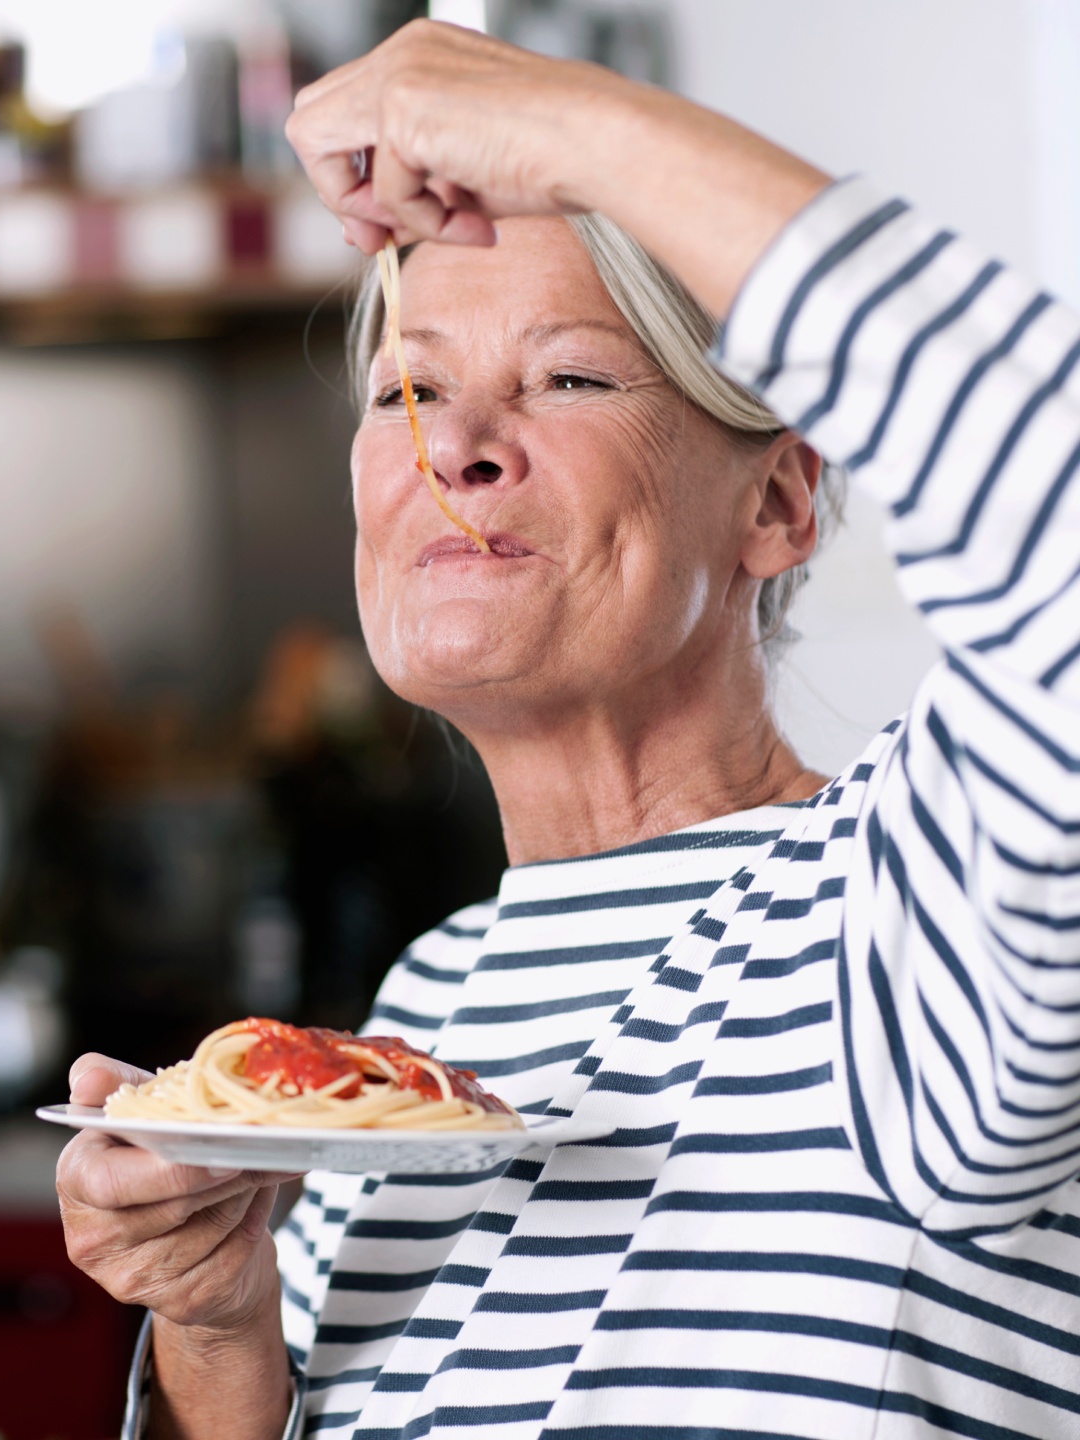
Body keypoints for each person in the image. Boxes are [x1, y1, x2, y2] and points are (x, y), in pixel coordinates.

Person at [57, 20, 1080, 1440]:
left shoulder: (912, 913)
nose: (457, 441)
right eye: (408, 389)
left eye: (571, 376)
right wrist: (219, 1332)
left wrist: (569, 127)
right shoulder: (421, 1020)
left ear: (780, 504)